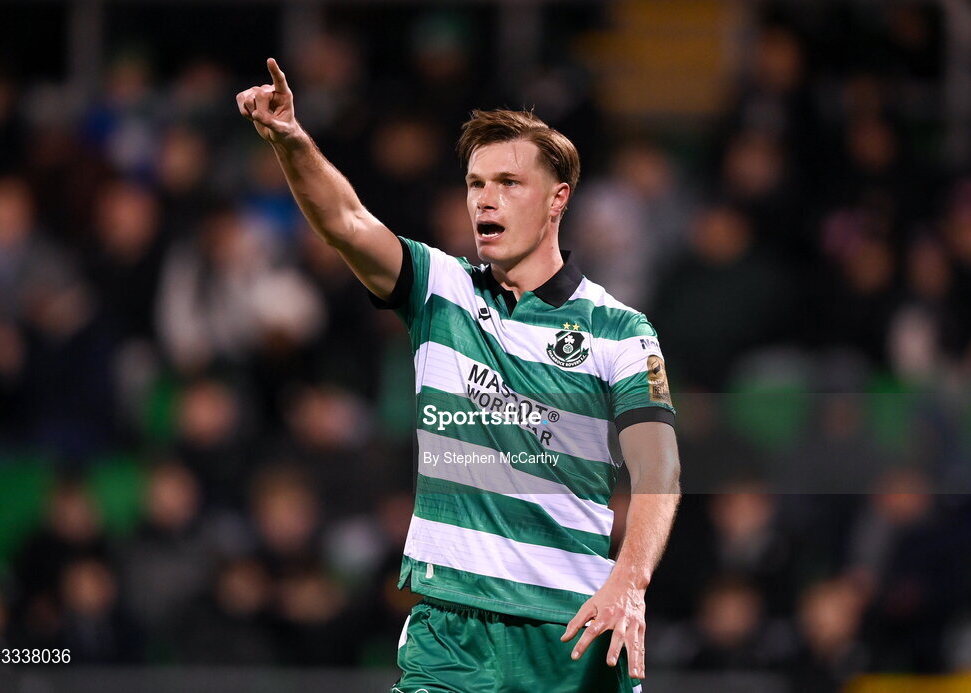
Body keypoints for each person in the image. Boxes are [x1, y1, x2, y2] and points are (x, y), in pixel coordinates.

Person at [237, 58, 681, 692]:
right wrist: (291, 139)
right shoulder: (438, 290)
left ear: (557, 199)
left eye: (508, 182)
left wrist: (630, 583)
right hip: (449, 633)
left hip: (573, 632)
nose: (485, 199)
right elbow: (345, 222)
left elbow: (658, 467)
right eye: (475, 183)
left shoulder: (621, 330)